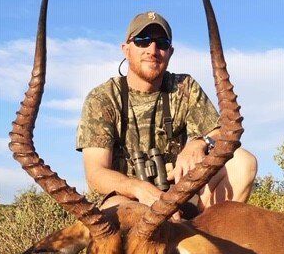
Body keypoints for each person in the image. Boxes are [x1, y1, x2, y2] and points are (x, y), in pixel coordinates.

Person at [76, 11, 257, 216]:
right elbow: (96, 174)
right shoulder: (102, 98)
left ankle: (207, 239)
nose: (152, 50)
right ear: (126, 49)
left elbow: (222, 133)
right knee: (115, 215)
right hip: (128, 197)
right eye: (142, 41)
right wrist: (139, 189)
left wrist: (199, 143)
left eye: (161, 43)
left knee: (242, 162)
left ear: (170, 52)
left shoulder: (184, 86)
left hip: (177, 193)